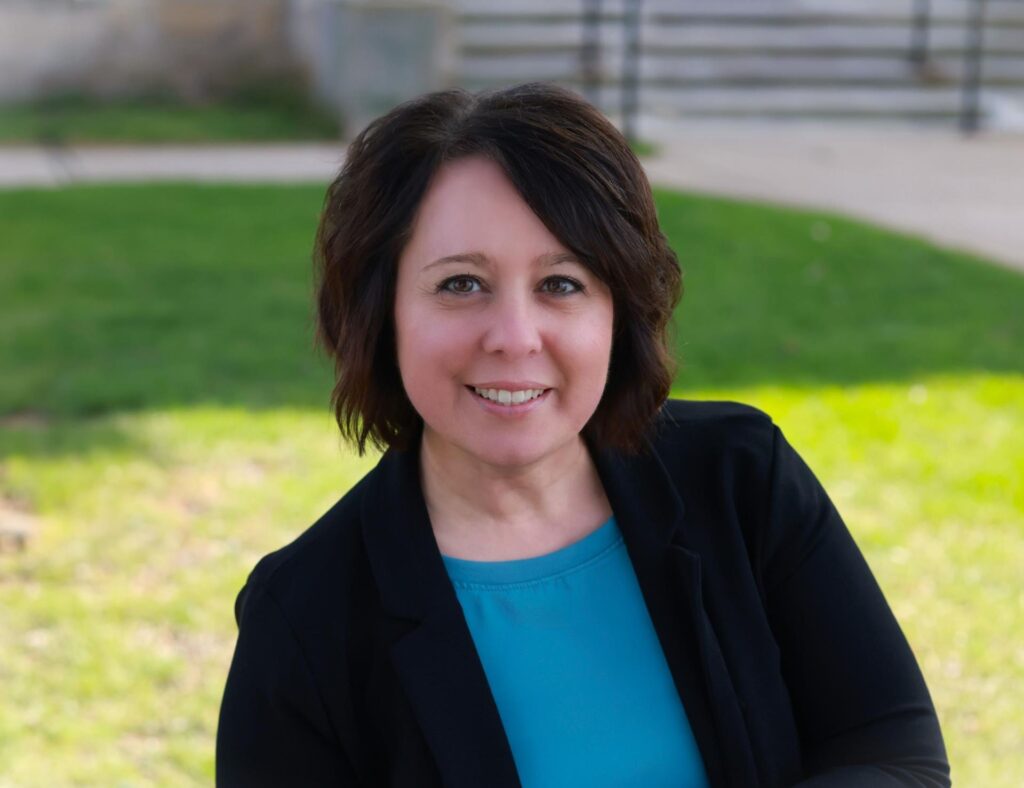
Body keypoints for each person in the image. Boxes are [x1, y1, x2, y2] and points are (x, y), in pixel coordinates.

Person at [215, 82, 950, 787]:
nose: (514, 337)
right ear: (382, 316)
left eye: (560, 283)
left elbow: (895, 751)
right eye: (461, 283)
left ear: (616, 311)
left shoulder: (741, 480)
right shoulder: (304, 618)